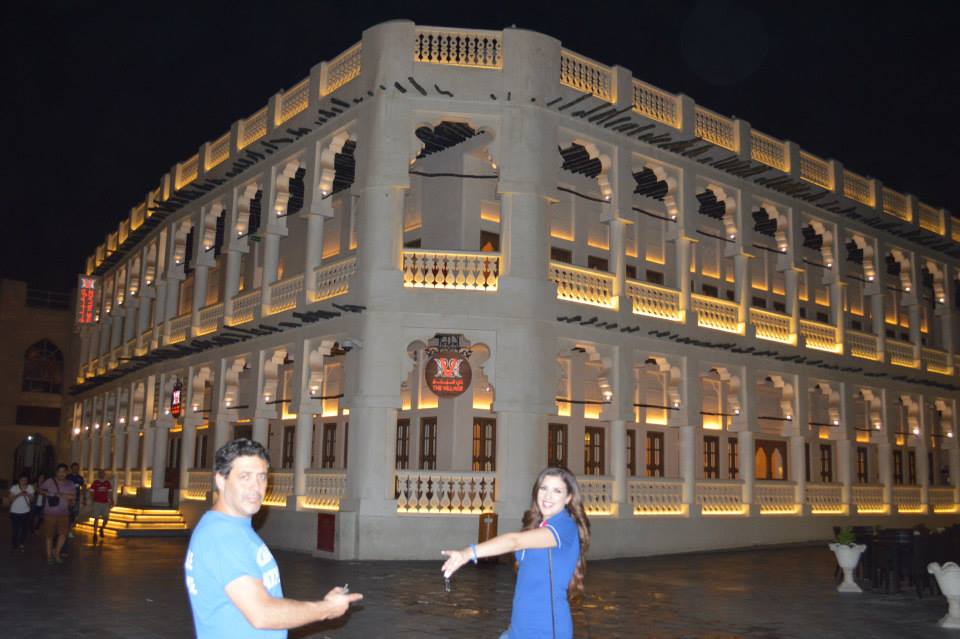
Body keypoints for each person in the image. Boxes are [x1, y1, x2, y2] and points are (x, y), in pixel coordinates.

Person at [185, 439, 362, 637]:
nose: (256, 487)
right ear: (220, 480)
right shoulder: (223, 536)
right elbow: (262, 614)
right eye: (245, 477)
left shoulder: (232, 528)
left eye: (262, 477)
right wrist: (326, 609)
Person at [441, 467, 591, 639]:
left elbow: (515, 541)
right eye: (543, 488)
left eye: (557, 491)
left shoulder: (565, 526)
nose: (548, 496)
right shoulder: (538, 526)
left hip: (547, 630)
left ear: (568, 498)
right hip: (519, 628)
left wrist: (468, 553)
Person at [40, 464, 76, 564]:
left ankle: (57, 553)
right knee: (49, 535)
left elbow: (73, 497)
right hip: (49, 513)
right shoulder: (50, 481)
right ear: (56, 472)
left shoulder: (70, 483)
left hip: (64, 513)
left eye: (63, 471)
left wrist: (63, 495)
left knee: (63, 534)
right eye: (59, 471)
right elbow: (40, 490)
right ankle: (49, 556)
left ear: (66, 472)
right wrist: (49, 493)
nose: (61, 473)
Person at [8, 472, 35, 551]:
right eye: (22, 480)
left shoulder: (30, 487)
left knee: (24, 529)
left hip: (26, 512)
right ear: (19, 480)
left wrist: (29, 495)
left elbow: (32, 500)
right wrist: (18, 495)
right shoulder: (14, 487)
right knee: (15, 529)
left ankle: (21, 543)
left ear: (27, 480)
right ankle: (14, 544)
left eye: (25, 480)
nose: (24, 481)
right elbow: (10, 499)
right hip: (15, 512)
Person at [89, 469, 113, 540]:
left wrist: (112, 500)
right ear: (98, 474)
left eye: (103, 473)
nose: (101, 474)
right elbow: (91, 491)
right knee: (96, 518)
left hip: (105, 503)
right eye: (100, 473)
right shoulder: (95, 482)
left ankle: (101, 528)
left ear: (104, 474)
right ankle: (95, 533)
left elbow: (110, 492)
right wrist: (92, 500)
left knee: (106, 518)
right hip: (97, 502)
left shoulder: (107, 483)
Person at [65, 462, 87, 538]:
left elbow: (83, 487)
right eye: (74, 468)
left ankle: (70, 530)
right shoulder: (68, 477)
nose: (75, 470)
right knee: (66, 514)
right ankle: (65, 530)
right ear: (71, 469)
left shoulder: (80, 478)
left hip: (76, 499)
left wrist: (84, 498)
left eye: (77, 468)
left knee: (74, 515)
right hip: (67, 498)